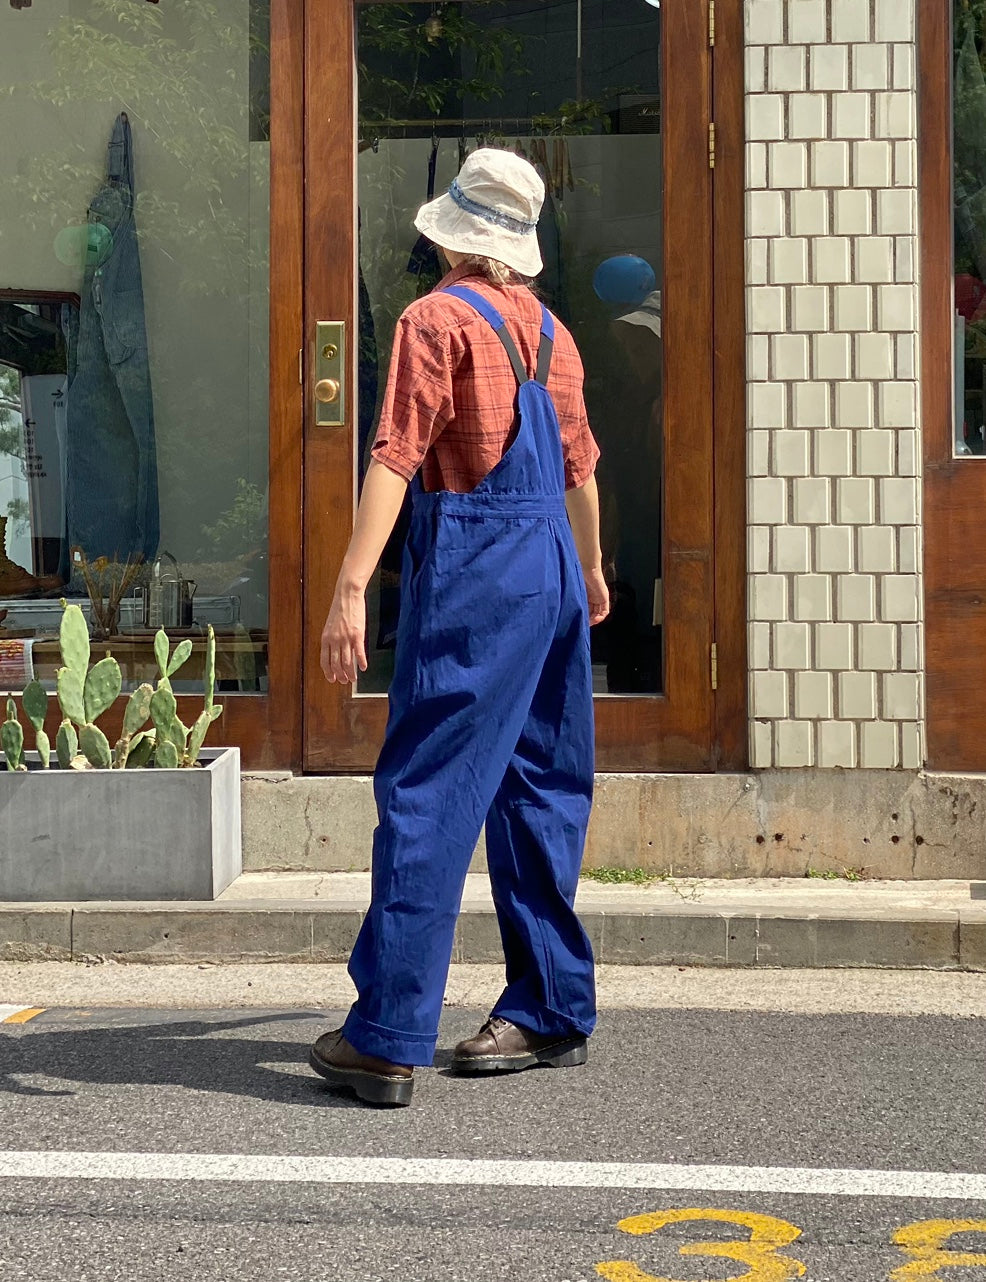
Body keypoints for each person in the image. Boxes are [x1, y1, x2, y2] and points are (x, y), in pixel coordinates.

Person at [309, 148, 609, 1108]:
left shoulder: (433, 320)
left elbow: (396, 455)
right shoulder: (552, 335)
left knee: (430, 794)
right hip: (552, 567)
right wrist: (592, 571)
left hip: (480, 575)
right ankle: (551, 1007)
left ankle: (388, 1034)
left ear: (448, 241)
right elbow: (579, 469)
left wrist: (352, 584)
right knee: (542, 787)